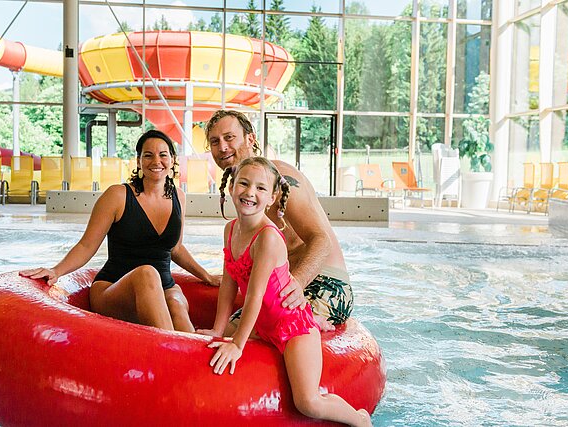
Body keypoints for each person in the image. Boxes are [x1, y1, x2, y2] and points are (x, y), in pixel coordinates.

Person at [199, 157, 372, 427]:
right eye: (243, 184)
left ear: (272, 198)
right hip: (265, 324)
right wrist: (218, 330)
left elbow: (254, 297)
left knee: (307, 402)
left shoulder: (267, 238)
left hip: (292, 327)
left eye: (260, 188)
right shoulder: (230, 229)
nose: (249, 193)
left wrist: (237, 344)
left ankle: (359, 419)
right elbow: (230, 283)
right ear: (232, 187)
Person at [20, 130, 218, 333]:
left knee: (176, 302)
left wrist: (207, 276)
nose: (156, 161)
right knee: (147, 273)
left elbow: (175, 248)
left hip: (163, 287)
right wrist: (56, 270)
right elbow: (87, 245)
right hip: (112, 289)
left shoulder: (179, 196)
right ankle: (171, 350)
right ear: (139, 161)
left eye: (163, 154)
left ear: (173, 159)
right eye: (148, 155)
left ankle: (194, 355)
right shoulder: (118, 196)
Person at [205, 110, 353, 332]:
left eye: (229, 137)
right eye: (215, 142)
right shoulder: (241, 188)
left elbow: (322, 240)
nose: (222, 147)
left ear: (250, 139)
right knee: (227, 334)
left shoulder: (279, 178)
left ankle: (312, 320)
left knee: (246, 337)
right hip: (280, 286)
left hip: (325, 283)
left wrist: (297, 285)